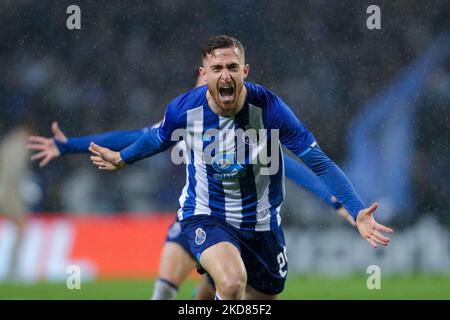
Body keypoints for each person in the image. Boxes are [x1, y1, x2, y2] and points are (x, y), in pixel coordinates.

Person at [86, 35, 393, 300]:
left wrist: (356, 210)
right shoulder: (184, 109)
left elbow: (320, 164)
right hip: (207, 215)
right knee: (232, 283)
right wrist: (122, 158)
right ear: (204, 74)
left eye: (232, 67)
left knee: (258, 297)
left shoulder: (271, 110)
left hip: (262, 225)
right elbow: (156, 138)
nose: (225, 75)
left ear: (245, 71)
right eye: (217, 68)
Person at [28, 121, 353, 300]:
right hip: (196, 217)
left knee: (223, 292)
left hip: (241, 227)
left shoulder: (249, 130)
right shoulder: (185, 121)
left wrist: (335, 200)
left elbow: (291, 168)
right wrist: (68, 145)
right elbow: (131, 138)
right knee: (167, 284)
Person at [0, 125, 32, 280]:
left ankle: (13, 269)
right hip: (7, 192)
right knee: (21, 225)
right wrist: (24, 185)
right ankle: (13, 269)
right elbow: (13, 172)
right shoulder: (20, 145)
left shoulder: (8, 142)